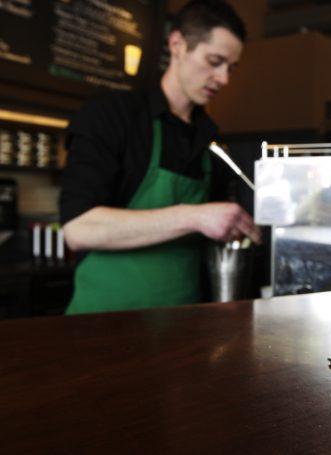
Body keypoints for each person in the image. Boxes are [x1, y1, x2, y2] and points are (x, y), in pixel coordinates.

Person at [60, 0, 261, 315]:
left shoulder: (211, 139)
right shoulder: (111, 115)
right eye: (214, 61)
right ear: (178, 44)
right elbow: (79, 229)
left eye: (230, 68)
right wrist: (195, 216)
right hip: (101, 326)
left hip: (184, 327)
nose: (224, 79)